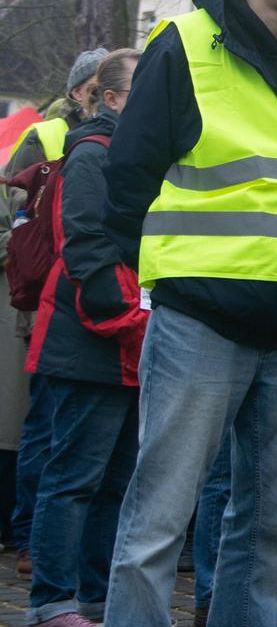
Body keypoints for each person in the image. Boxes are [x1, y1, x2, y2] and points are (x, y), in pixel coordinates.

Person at [102, 0, 277, 624]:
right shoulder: (184, 44)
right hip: (201, 321)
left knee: (274, 529)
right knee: (158, 520)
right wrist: (153, 280)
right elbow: (128, 180)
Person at [23, 50, 143, 627]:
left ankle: (94, 596)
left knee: (114, 481)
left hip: (125, 342)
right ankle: (51, 601)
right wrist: (131, 314)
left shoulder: (135, 153)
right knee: (73, 478)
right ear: (112, 99)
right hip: (94, 337)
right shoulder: (93, 156)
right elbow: (88, 247)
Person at [6, 48, 109, 579]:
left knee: (80, 435)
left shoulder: (127, 140)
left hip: (95, 298)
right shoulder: (43, 136)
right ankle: (30, 539)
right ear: (78, 92)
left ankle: (76, 556)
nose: (102, 96)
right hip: (48, 297)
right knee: (47, 424)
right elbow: (10, 220)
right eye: (95, 86)